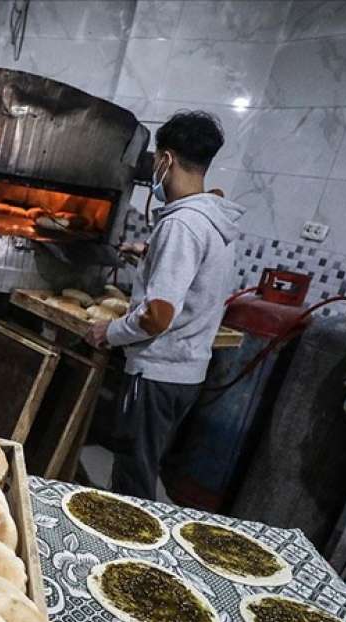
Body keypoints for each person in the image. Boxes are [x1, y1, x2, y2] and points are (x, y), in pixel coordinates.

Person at [86, 110, 244, 501]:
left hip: (157, 371)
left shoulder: (181, 224)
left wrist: (110, 332)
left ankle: (127, 550)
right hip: (186, 371)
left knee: (133, 478)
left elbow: (157, 317)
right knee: (146, 463)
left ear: (166, 160)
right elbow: (197, 280)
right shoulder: (212, 217)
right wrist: (149, 253)